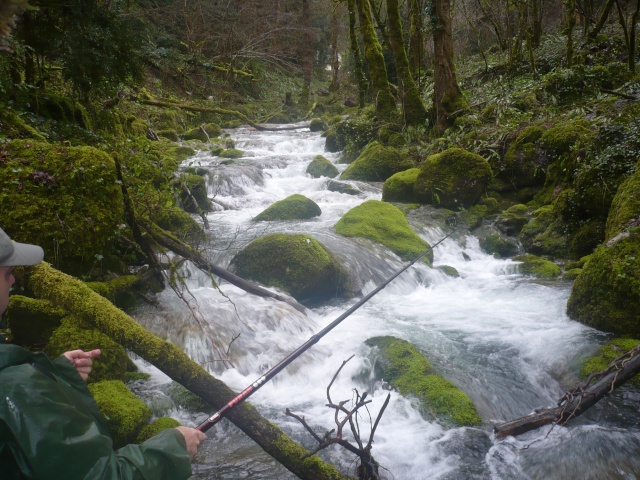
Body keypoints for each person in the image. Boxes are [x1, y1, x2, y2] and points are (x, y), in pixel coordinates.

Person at [0, 226, 206, 479]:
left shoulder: (17, 382)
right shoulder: (15, 388)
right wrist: (171, 448)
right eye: (8, 272)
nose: (14, 280)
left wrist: (53, 377)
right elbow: (102, 475)